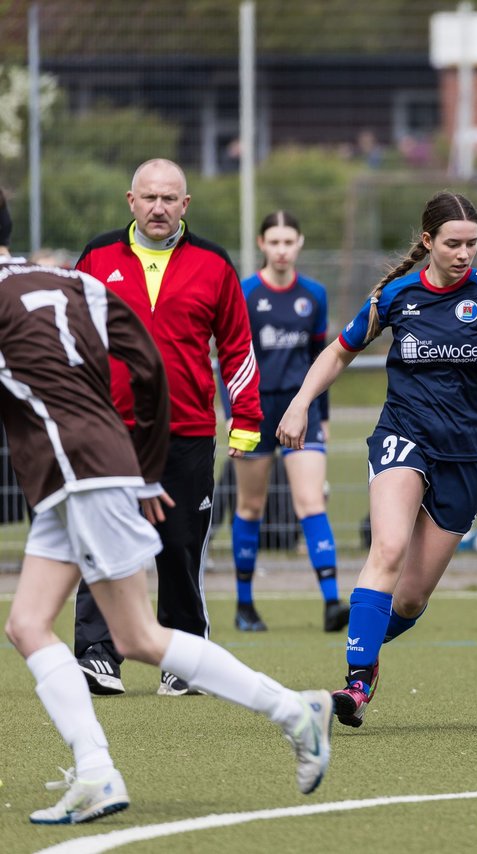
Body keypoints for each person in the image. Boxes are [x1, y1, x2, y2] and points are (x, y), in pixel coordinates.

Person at [0, 256, 330, 825]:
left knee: (138, 636)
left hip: (78, 468)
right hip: (81, 466)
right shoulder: (68, 278)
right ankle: (97, 771)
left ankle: (295, 712)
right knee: (27, 624)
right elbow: (149, 361)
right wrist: (146, 465)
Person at [276, 190, 477, 729]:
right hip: (403, 436)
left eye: (472, 244)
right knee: (386, 547)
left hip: (469, 455)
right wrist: (299, 403)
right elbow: (340, 350)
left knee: (408, 599)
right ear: (428, 242)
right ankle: (356, 683)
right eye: (453, 243)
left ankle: (369, 639)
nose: (464, 254)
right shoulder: (395, 295)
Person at [72, 159, 263, 697]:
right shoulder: (96, 256)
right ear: (130, 200)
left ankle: (184, 656)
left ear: (186, 205)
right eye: (149, 197)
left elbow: (237, 345)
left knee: (179, 544)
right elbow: (73, 339)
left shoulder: (213, 263)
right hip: (109, 429)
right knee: (103, 540)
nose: (159, 207)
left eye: (169, 198)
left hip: (187, 431)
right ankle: (97, 653)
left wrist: (245, 419)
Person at [231, 211, 349, 631]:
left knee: (311, 502)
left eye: (288, 241)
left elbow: (325, 359)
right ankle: (245, 606)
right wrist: (233, 416)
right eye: (274, 242)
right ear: (262, 244)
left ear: (299, 244)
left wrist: (324, 414)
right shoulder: (244, 293)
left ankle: (333, 603)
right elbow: (230, 358)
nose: (281, 249)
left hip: (303, 410)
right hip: (254, 412)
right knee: (250, 505)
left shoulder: (314, 295)